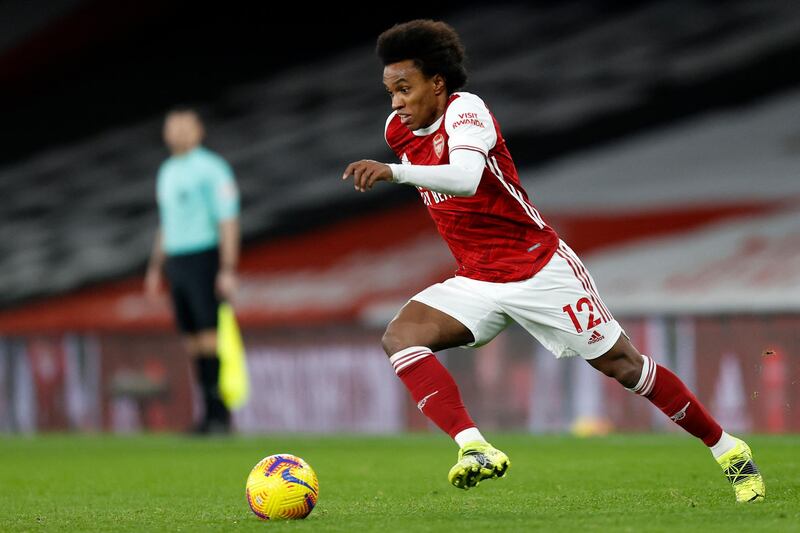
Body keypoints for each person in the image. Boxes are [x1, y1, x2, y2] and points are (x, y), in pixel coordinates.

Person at [342, 20, 764, 502]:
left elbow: (465, 177)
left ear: (437, 84)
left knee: (625, 367)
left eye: (404, 88)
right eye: (389, 91)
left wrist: (392, 172)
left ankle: (728, 450)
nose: (395, 101)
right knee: (401, 337)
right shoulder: (398, 129)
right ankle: (474, 447)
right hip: (478, 278)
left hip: (538, 267)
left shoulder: (467, 110)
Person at [145, 108, 240, 434]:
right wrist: (156, 267)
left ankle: (219, 412)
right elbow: (165, 223)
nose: (177, 133)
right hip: (177, 261)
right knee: (191, 340)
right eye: (172, 127)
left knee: (208, 334)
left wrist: (227, 267)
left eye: (184, 127)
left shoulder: (212, 168)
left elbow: (228, 220)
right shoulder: (167, 171)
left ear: (198, 130)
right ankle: (208, 412)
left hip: (203, 256)